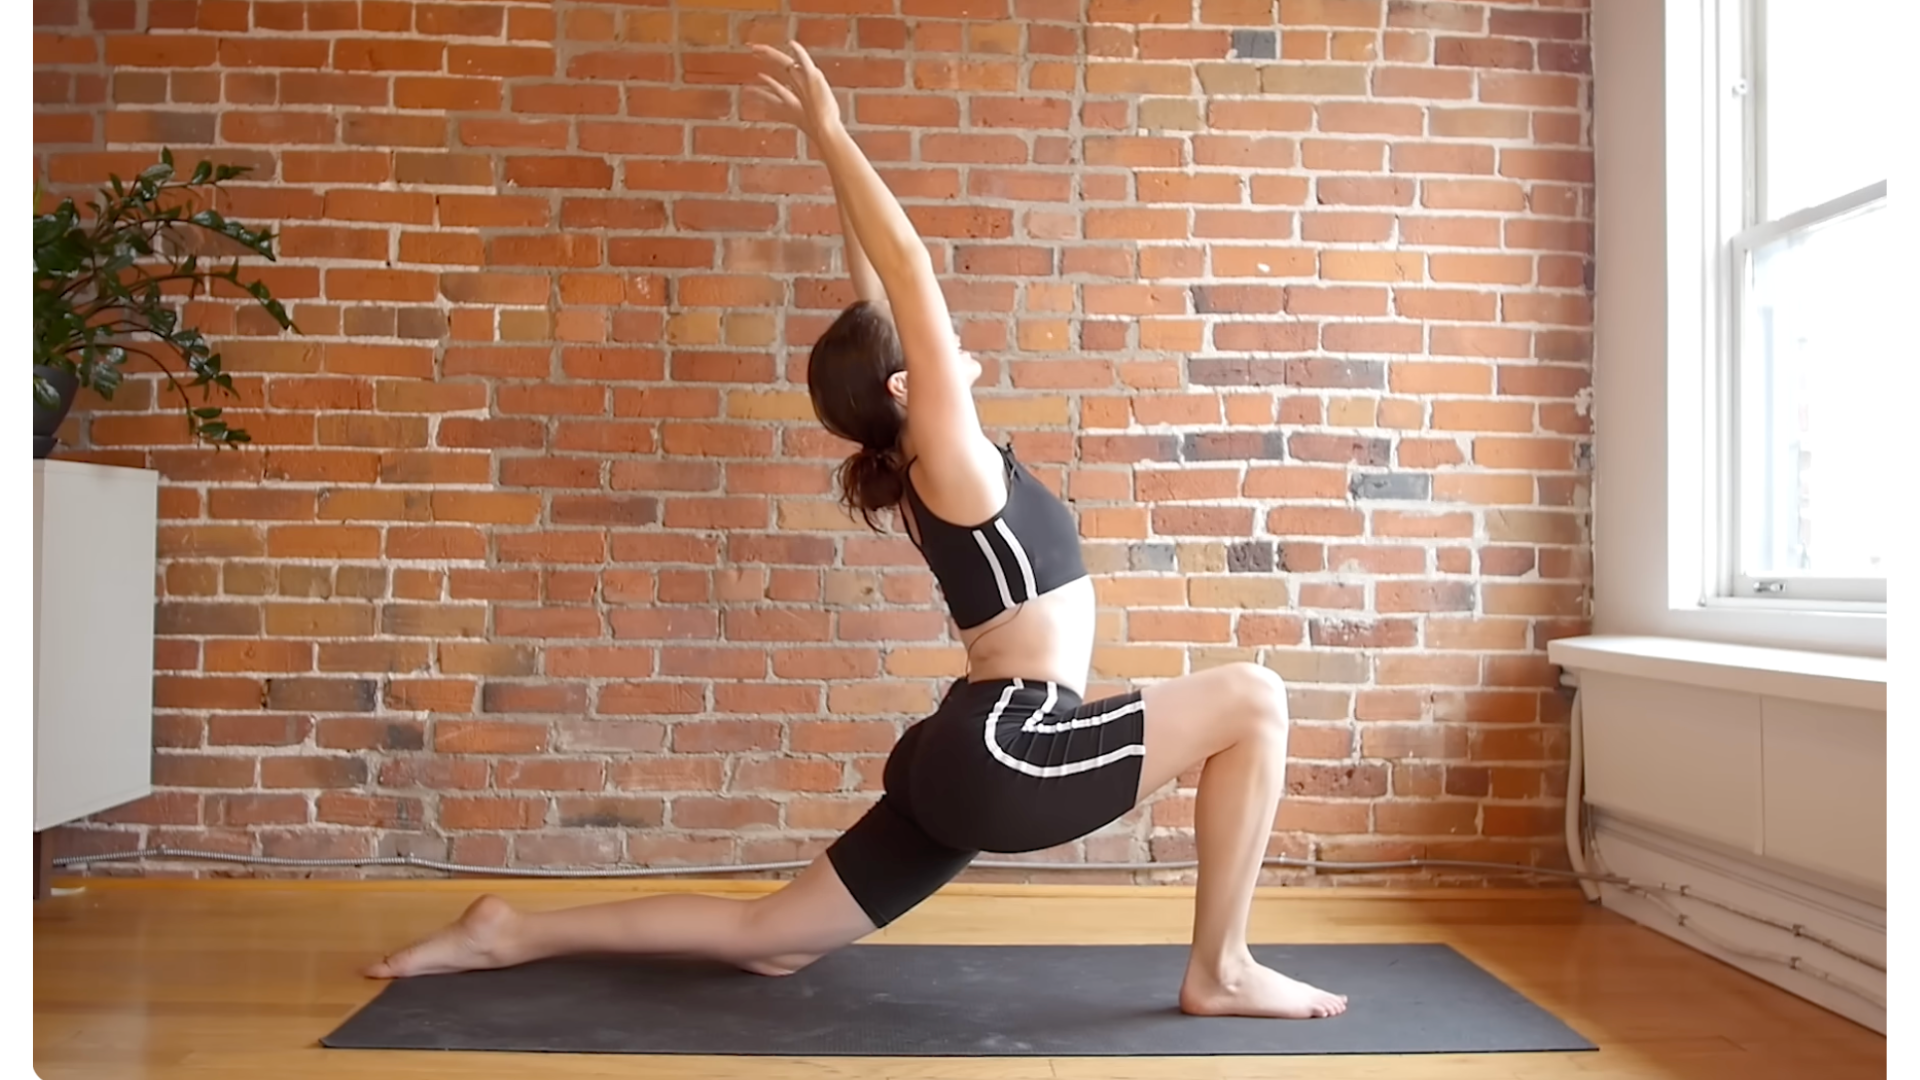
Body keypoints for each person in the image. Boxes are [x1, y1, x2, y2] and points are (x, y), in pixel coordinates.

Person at [365, 42, 1348, 1021]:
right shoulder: (949, 461)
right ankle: (1220, 969)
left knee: (771, 943)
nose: (953, 338)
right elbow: (908, 271)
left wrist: (826, 155)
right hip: (1011, 745)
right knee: (1254, 698)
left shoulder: (923, 466)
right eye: (933, 343)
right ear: (903, 387)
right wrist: (831, 133)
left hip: (961, 751)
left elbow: (878, 293)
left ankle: (511, 932)